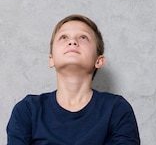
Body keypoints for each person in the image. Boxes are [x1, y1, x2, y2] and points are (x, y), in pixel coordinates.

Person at [6, 14, 141, 144]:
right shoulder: (27, 110)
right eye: (63, 37)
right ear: (51, 59)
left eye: (83, 37)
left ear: (99, 60)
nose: (72, 42)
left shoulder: (117, 109)